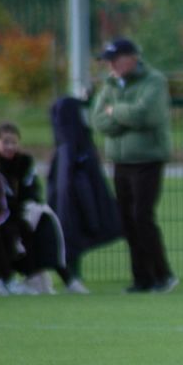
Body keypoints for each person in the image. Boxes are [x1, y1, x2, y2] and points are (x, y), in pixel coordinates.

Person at [90, 36, 178, 293]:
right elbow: (98, 120)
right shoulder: (110, 84)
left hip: (148, 159)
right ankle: (141, 278)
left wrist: (114, 111)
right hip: (120, 160)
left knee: (142, 215)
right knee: (127, 219)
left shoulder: (154, 81)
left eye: (115, 60)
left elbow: (147, 115)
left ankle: (162, 274)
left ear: (132, 58)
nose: (111, 66)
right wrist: (122, 115)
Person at [0, 122, 86, 294]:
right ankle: (3, 279)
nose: (10, 147)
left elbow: (31, 191)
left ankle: (67, 279)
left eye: (14, 142)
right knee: (4, 231)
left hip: (16, 212)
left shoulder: (24, 163)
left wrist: (30, 206)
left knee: (46, 223)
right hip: (1, 215)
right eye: (5, 142)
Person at [46, 96, 123, 281]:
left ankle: (72, 273)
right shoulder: (76, 145)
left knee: (71, 230)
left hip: (76, 200)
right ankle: (72, 275)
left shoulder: (65, 146)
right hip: (80, 200)